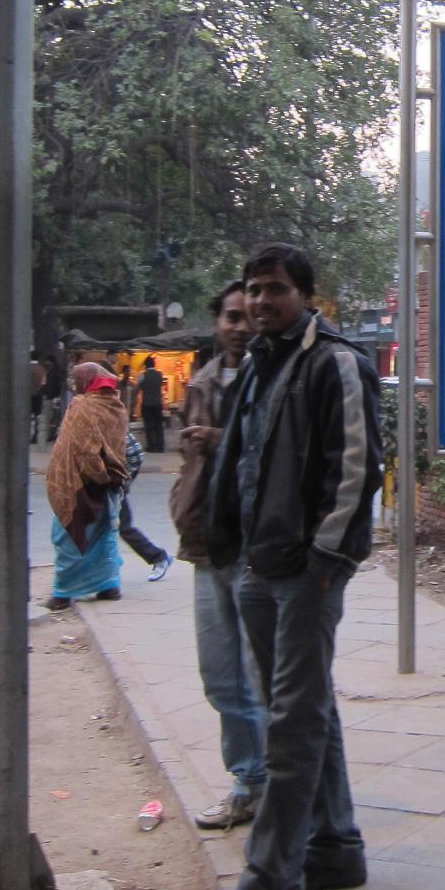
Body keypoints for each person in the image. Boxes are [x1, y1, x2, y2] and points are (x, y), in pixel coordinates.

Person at [207, 244, 381, 890]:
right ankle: (336, 848)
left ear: (306, 296)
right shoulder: (259, 364)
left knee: (290, 724)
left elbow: (357, 471)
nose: (260, 301)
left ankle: (271, 869)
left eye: (275, 289)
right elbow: (243, 460)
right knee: (306, 711)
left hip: (308, 572)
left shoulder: (337, 363)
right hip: (257, 565)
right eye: (253, 289)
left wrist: (326, 560)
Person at [171, 279, 268, 830]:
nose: (240, 326)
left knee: (262, 676)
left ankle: (275, 784)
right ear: (218, 322)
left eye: (246, 316)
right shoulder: (202, 380)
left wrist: (222, 439)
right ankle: (247, 779)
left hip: (254, 547)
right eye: (230, 316)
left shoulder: (273, 377)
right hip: (207, 544)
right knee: (220, 676)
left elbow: (278, 455)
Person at [43, 362, 130, 611]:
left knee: (67, 536)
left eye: (76, 379)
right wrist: (105, 475)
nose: (74, 385)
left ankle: (63, 592)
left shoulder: (82, 406)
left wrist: (95, 472)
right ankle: (109, 585)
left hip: (78, 483)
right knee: (104, 535)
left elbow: (81, 449)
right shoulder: (116, 406)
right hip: (109, 482)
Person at [116, 429, 174, 581]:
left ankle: (158, 557)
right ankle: (105, 569)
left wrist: (123, 480)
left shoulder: (109, 423)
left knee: (123, 528)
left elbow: (135, 453)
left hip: (111, 487)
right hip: (97, 488)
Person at [139, 355, 167, 453]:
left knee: (149, 426)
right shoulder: (159, 374)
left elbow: (140, 387)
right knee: (159, 425)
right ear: (154, 364)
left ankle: (151, 446)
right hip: (158, 403)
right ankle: (160, 446)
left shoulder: (143, 375)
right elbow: (160, 386)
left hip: (147, 404)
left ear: (145, 365)